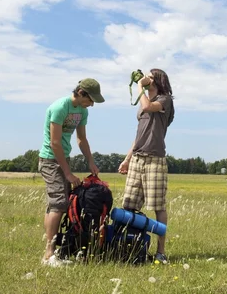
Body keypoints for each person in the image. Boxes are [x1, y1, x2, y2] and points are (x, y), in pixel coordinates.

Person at [38, 78, 104, 265]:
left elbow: (81, 139)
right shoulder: (60, 107)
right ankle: (49, 255)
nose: (91, 105)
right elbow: (55, 142)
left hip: (63, 158)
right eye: (91, 100)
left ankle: (54, 251)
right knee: (59, 203)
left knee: (58, 204)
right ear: (82, 93)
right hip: (50, 159)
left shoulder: (82, 111)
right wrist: (67, 173)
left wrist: (90, 161)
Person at [118, 68, 174, 264]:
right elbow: (138, 136)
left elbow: (149, 106)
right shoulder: (142, 105)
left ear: (158, 80)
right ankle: (131, 247)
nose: (145, 78)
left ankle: (161, 251)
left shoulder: (165, 99)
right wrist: (127, 159)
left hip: (155, 159)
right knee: (129, 204)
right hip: (137, 158)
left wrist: (141, 87)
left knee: (158, 205)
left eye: (150, 76)